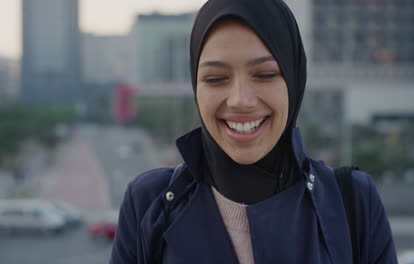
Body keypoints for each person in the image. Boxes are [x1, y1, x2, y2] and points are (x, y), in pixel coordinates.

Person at [110, 0, 397, 263]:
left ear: (294, 81)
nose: (240, 100)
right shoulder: (150, 203)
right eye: (216, 78)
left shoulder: (352, 201)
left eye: (265, 74)